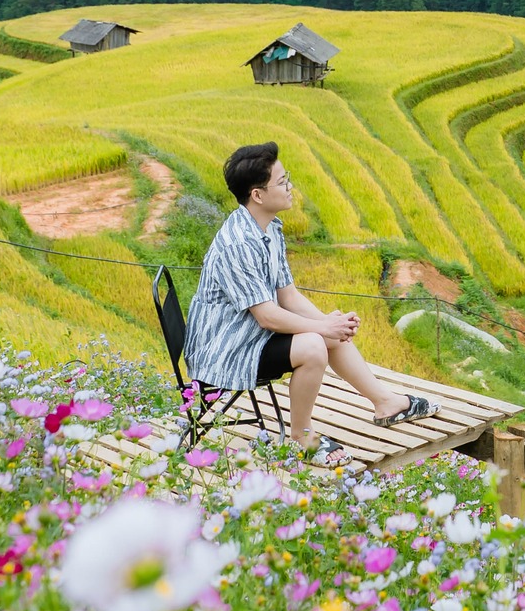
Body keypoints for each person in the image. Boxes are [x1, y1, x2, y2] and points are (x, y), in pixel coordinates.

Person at [183, 142, 438, 464]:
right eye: (282, 182)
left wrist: (331, 325)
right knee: (313, 345)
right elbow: (267, 316)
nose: (290, 187)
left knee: (327, 333)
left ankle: (386, 402)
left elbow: (287, 296)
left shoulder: (269, 228)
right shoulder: (238, 243)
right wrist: (321, 327)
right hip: (226, 349)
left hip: (249, 335)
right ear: (258, 195)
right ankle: (301, 437)